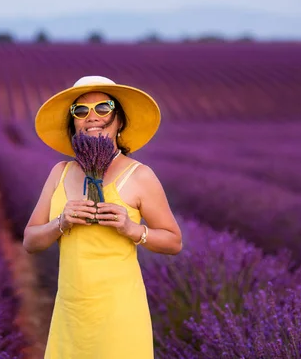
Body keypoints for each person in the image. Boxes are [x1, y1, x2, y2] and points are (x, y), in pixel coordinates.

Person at [23, 75, 183, 358]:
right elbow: (31, 241)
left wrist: (132, 229)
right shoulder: (59, 173)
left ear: (119, 119)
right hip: (71, 312)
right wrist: (61, 222)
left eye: (103, 108)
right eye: (80, 111)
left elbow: (173, 241)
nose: (92, 117)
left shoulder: (140, 175)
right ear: (73, 122)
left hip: (119, 314)